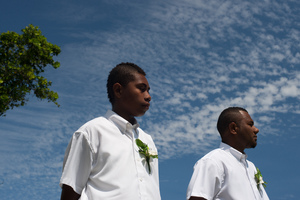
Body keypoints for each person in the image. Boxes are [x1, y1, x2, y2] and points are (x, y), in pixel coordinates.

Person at [60, 62, 161, 200]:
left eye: (148, 90)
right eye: (141, 89)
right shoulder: (91, 132)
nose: (148, 96)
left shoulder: (147, 140)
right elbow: (71, 190)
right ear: (118, 90)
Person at [186, 107, 269, 200]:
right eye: (250, 124)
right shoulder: (213, 161)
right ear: (233, 128)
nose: (256, 129)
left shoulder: (251, 167)